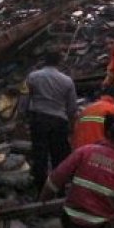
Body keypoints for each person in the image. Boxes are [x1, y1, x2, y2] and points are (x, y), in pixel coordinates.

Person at [25, 52, 78, 191]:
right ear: (59, 62)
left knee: (39, 154)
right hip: (59, 121)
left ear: (44, 60)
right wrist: (72, 127)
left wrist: (23, 117)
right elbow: (72, 108)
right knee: (59, 156)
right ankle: (58, 188)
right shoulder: (67, 81)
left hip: (38, 119)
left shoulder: (33, 76)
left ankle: (40, 188)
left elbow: (25, 99)